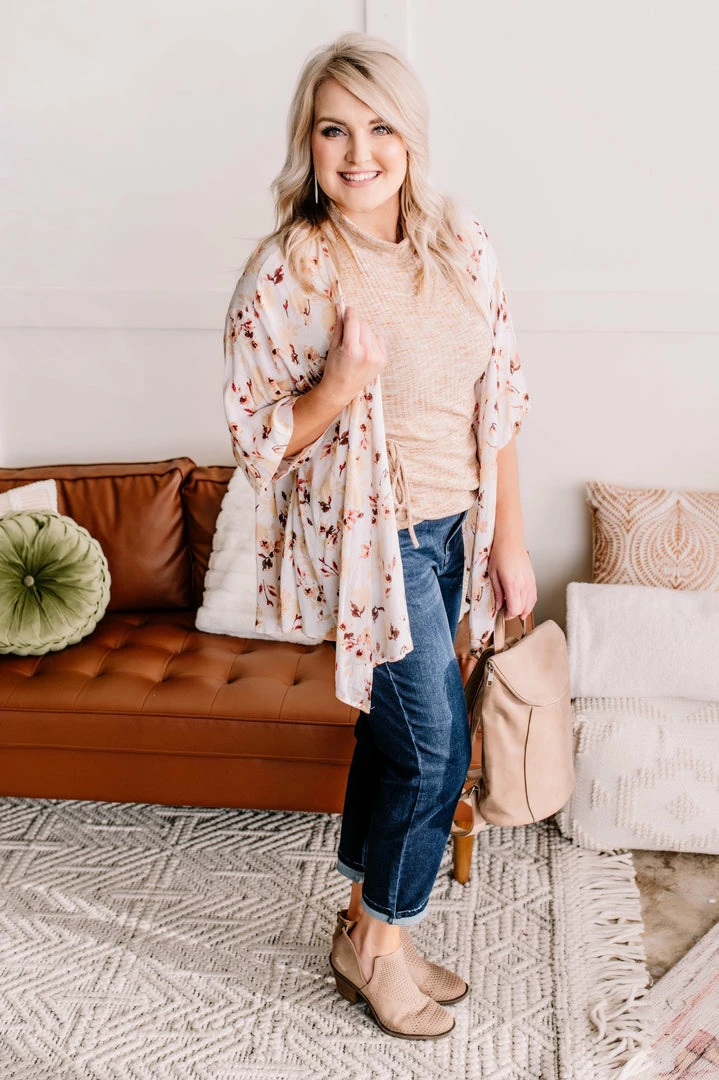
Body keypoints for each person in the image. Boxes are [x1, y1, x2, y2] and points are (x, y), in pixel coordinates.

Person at [223, 32, 536, 1040]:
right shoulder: (291, 269)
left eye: (379, 128)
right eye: (332, 131)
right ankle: (381, 949)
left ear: (411, 137)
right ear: (306, 143)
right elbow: (257, 437)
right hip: (375, 544)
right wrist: (336, 387)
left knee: (392, 736)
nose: (357, 154)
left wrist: (509, 540)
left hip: (454, 530)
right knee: (435, 752)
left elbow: (501, 396)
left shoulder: (458, 240)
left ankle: (363, 924)